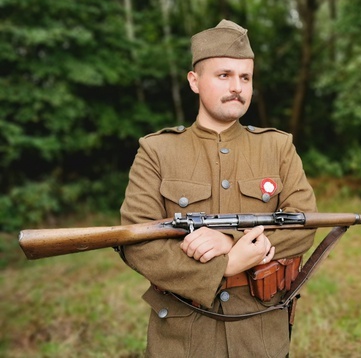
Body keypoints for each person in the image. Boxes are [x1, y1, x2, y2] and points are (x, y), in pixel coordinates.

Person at [119, 19, 317, 358]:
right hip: (182, 339)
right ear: (194, 81)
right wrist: (223, 265)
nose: (237, 86)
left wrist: (233, 242)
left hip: (259, 334)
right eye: (223, 75)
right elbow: (138, 243)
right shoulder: (157, 151)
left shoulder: (278, 148)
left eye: (245, 77)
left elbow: (304, 226)